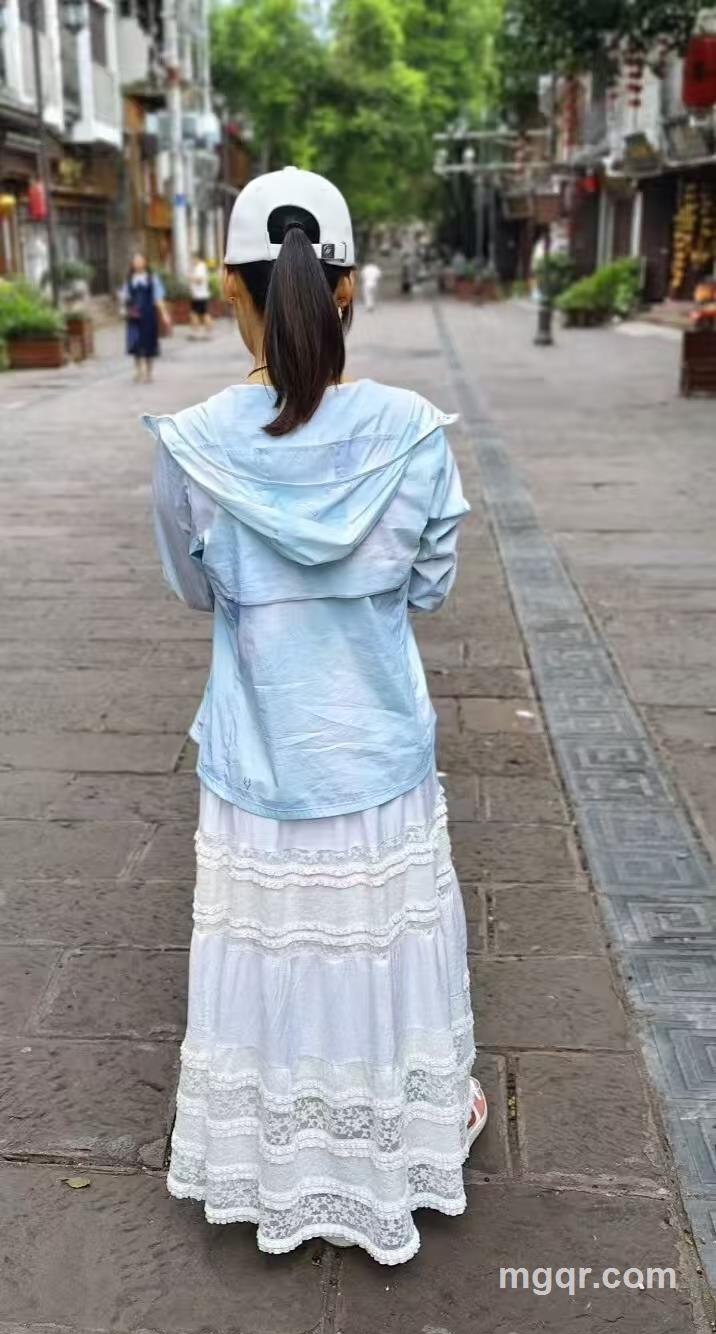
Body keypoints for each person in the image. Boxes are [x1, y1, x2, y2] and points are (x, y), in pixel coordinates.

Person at [143, 166, 485, 1267]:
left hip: (260, 751)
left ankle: (269, 1151)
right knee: (378, 949)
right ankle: (402, 1135)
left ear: (231, 289)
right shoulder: (413, 432)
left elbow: (195, 590)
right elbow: (428, 587)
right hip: (376, 751)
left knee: (275, 955)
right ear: (346, 288)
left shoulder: (192, 442)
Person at [122, 252, 168, 382]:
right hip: (133, 315)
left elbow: (158, 298)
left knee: (149, 343)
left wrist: (164, 314)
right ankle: (138, 371)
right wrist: (124, 310)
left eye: (140, 260)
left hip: (149, 315)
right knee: (135, 343)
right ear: (132, 264)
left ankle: (149, 372)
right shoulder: (129, 279)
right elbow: (125, 297)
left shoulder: (152, 279)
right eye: (135, 261)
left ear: (145, 263)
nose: (137, 263)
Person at [189, 252, 212, 338]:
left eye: (193, 259)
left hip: (200, 296)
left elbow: (200, 280)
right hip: (197, 295)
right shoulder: (197, 267)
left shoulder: (200, 267)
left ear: (197, 258)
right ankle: (201, 332)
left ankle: (199, 333)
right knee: (201, 313)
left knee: (199, 314)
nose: (192, 261)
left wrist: (191, 277)